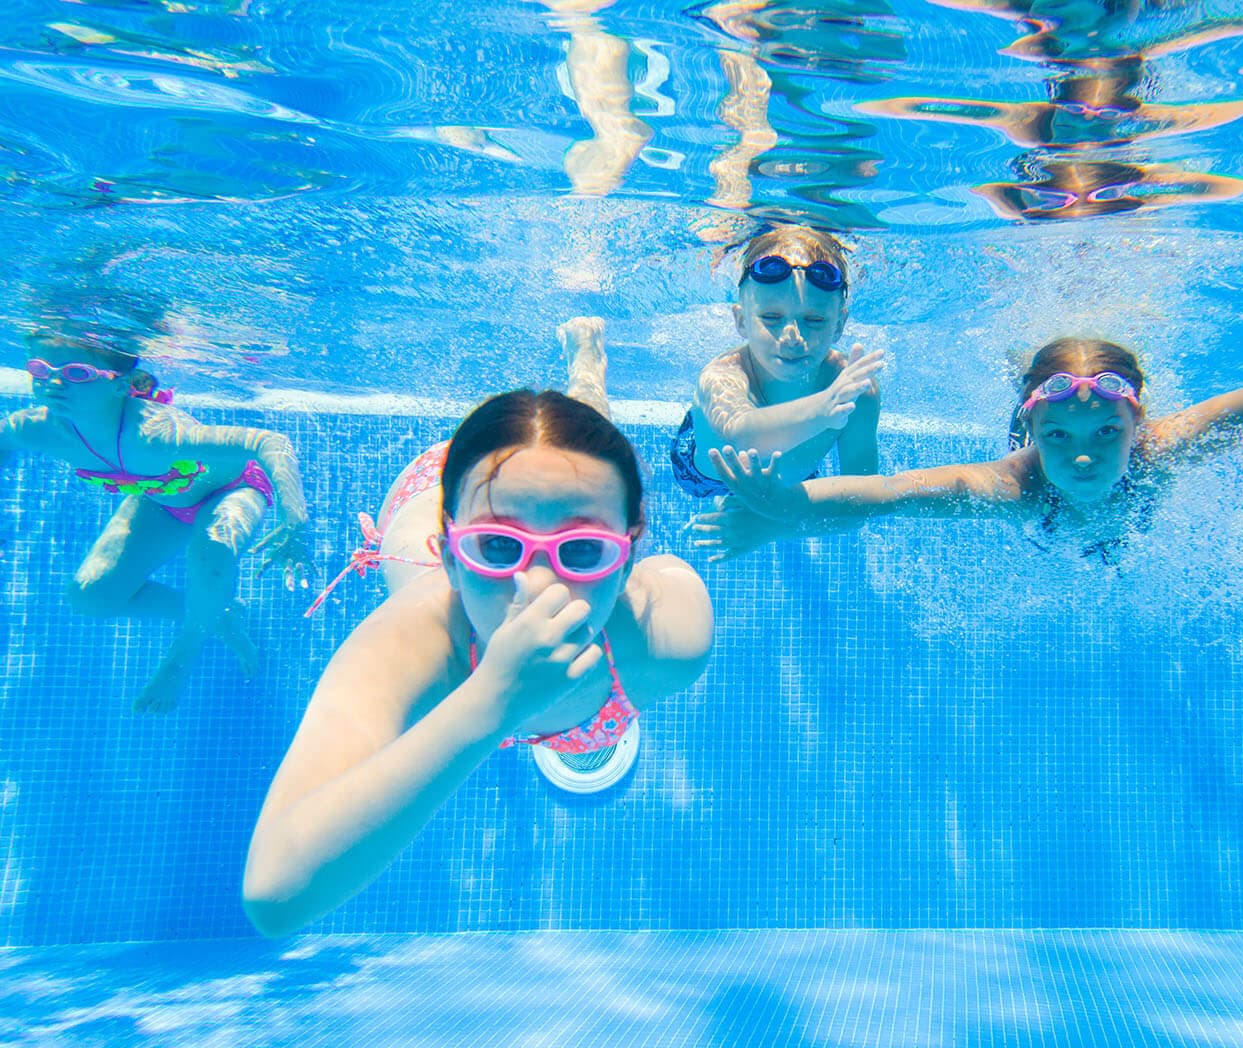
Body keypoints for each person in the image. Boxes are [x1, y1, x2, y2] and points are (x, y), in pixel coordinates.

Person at [689, 241, 1243, 561]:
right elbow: (879, 498)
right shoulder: (1010, 483)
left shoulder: (1171, 446)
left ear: (1138, 422)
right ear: (1027, 426)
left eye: (1105, 430)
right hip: (1063, 538)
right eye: (1061, 431)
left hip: (1126, 531)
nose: (1082, 454)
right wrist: (786, 511)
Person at [244, 331, 713, 936]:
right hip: (434, 491)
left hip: (521, 486)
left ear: (626, 558)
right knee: (561, 475)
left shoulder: (666, 636)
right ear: (452, 556)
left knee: (576, 456)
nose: (537, 588)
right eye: (497, 548)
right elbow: (274, 894)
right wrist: (492, 699)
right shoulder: (417, 637)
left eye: (583, 550)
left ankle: (585, 371)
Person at [0, 305, 310, 713]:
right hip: (161, 502)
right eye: (41, 369)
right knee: (91, 598)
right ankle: (218, 614)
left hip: (230, 490)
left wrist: (295, 520)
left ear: (120, 385)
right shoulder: (32, 429)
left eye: (77, 373)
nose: (53, 382)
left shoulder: (154, 434)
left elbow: (269, 442)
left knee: (211, 552)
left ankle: (181, 656)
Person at [671, 225, 883, 498]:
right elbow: (740, 437)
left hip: (787, 483)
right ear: (742, 320)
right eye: (771, 318)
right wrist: (824, 406)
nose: (793, 336)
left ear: (840, 323)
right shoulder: (722, 375)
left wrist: (782, 518)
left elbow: (864, 496)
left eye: (814, 320)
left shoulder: (854, 389)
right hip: (707, 477)